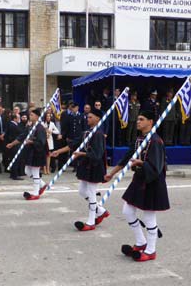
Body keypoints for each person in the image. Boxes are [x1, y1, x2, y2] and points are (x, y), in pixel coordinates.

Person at [105, 110, 169, 262]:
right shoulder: (139, 139)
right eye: (138, 119)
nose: (138, 121)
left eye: (142, 119)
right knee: (127, 211)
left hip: (152, 182)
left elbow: (156, 168)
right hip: (139, 180)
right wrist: (111, 173)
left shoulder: (156, 141)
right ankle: (141, 242)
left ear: (151, 122)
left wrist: (141, 163)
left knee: (149, 217)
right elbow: (127, 157)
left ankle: (151, 250)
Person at [51, 108, 109, 230]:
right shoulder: (86, 132)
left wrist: (81, 154)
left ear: (98, 119)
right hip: (85, 167)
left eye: (90, 117)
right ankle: (101, 211)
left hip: (94, 167)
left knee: (92, 194)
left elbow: (97, 155)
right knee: (82, 191)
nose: (87, 119)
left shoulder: (98, 134)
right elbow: (74, 144)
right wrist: (59, 151)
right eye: (87, 117)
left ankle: (91, 221)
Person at [19, 109, 48, 200]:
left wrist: (31, 142)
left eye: (32, 115)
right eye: (30, 115)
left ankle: (36, 192)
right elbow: (24, 135)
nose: (30, 116)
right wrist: (13, 143)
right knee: (27, 171)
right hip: (30, 152)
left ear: (37, 116)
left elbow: (41, 142)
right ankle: (42, 184)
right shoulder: (30, 126)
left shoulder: (40, 127)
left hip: (37, 153)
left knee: (35, 172)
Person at [5, 113, 23, 181]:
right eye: (18, 118)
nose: (19, 119)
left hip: (13, 144)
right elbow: (20, 132)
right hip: (14, 144)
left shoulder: (14, 124)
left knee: (13, 159)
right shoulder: (12, 125)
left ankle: (12, 174)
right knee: (15, 159)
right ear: (15, 118)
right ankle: (14, 175)